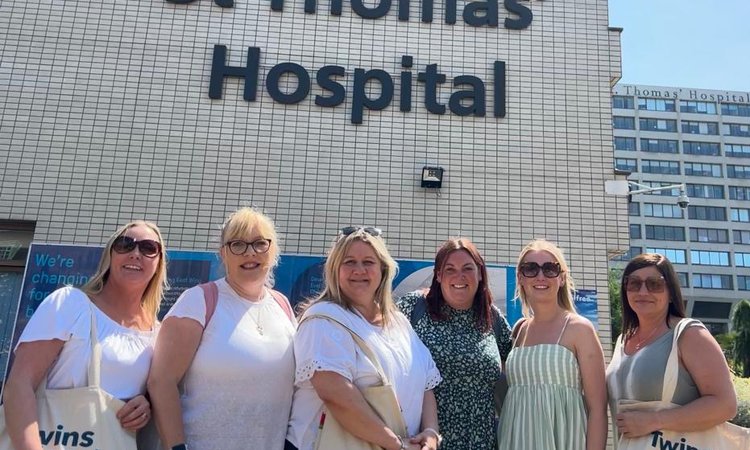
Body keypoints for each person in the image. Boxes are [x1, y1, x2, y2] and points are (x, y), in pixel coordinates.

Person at [3, 220, 168, 448]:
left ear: (159, 263)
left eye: (148, 248)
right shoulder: (71, 303)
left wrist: (145, 404)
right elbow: (19, 384)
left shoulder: (158, 335)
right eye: (125, 244)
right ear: (110, 256)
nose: (135, 253)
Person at [148, 207, 296, 450]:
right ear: (223, 254)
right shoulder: (198, 301)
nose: (250, 253)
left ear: (273, 251)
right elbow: (161, 381)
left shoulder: (283, 306)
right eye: (238, 244)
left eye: (260, 243)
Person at [287, 226, 442, 450]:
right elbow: (337, 396)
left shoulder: (398, 323)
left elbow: (426, 383)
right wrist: (397, 445)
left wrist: (430, 433)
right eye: (349, 262)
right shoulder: (323, 320)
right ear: (334, 270)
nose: (359, 270)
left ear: (383, 270)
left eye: (368, 262)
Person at [396, 237, 512, 450]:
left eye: (468, 268)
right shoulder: (414, 308)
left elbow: (519, 364)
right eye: (450, 269)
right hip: (424, 442)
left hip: (482, 443)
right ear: (438, 275)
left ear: (479, 274)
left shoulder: (491, 318)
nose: (460, 276)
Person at [606, 253, 737, 440]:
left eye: (655, 284)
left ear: (670, 293)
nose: (643, 292)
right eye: (634, 283)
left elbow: (725, 405)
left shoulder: (689, 334)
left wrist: (654, 420)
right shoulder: (623, 340)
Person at [498, 239, 607, 450]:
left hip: (564, 441)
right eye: (530, 269)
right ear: (520, 277)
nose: (540, 276)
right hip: (515, 439)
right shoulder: (519, 329)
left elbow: (598, 410)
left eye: (550, 269)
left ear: (562, 278)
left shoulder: (579, 328)